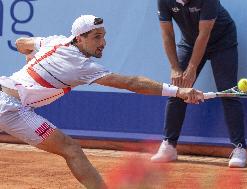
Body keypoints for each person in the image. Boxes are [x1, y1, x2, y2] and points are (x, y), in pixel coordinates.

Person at [0, 15, 204, 189]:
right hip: (10, 108)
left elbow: (20, 43)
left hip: (13, 104)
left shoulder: (55, 41)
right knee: (71, 150)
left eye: (104, 36)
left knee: (71, 149)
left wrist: (32, 55)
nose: (103, 42)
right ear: (79, 39)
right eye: (97, 37)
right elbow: (131, 83)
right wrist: (179, 91)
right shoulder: (80, 66)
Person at [151, 0, 247, 168]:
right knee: (176, 90)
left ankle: (239, 148)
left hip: (222, 42)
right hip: (189, 43)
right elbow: (167, 34)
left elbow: (204, 33)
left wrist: (192, 67)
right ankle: (169, 145)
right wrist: (175, 68)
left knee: (228, 91)